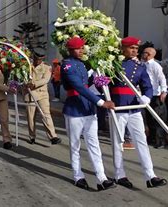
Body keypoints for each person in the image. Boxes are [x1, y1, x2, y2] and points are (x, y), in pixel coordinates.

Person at [109, 36, 167, 189]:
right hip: (118, 105)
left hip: (134, 107)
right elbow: (105, 83)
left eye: (136, 48)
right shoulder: (112, 63)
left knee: (141, 140)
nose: (135, 51)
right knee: (118, 141)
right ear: (123, 49)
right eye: (131, 48)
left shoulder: (140, 66)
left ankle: (150, 176)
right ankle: (119, 174)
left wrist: (147, 97)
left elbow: (147, 85)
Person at [61, 37, 116, 191]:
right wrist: (101, 103)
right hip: (75, 110)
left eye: (82, 48)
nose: (82, 51)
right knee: (75, 145)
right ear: (71, 50)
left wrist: (100, 81)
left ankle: (102, 178)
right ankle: (78, 176)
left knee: (94, 144)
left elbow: (88, 84)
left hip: (88, 109)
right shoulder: (67, 65)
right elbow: (79, 87)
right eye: (78, 49)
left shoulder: (82, 64)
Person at [25, 54, 61, 145]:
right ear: (33, 58)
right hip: (30, 94)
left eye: (40, 59)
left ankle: (53, 136)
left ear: (43, 59)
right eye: (36, 59)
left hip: (42, 94)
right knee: (30, 117)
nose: (38, 61)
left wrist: (34, 84)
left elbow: (45, 79)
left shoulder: (47, 67)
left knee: (46, 114)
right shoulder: (26, 66)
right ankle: (32, 136)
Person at [142, 47, 168, 148]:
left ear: (149, 54)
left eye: (144, 53)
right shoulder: (143, 64)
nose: (142, 54)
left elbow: (162, 79)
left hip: (155, 94)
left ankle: (161, 141)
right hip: (147, 95)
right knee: (149, 118)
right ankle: (152, 138)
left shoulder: (155, 65)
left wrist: (163, 91)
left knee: (158, 118)